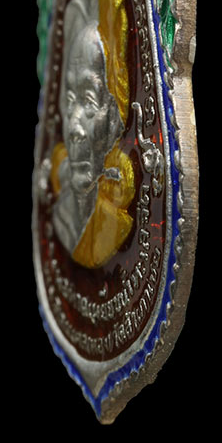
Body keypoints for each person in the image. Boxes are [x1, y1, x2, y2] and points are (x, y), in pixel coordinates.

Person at [52, 20, 134, 267]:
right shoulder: (62, 215)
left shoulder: (114, 219)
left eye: (89, 101)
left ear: (114, 117)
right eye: (70, 101)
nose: (73, 128)